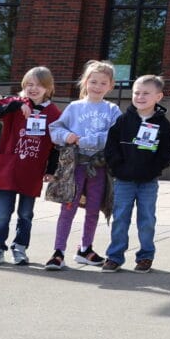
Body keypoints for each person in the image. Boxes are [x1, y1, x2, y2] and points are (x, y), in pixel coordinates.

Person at [44, 60, 120, 270]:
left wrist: (95, 139)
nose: (97, 86)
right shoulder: (75, 107)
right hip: (75, 165)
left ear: (110, 86)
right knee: (68, 207)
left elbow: (117, 135)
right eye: (93, 81)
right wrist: (67, 135)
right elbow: (55, 129)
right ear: (85, 82)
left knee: (94, 208)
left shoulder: (112, 109)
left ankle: (85, 248)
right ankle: (58, 251)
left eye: (103, 83)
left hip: (99, 166)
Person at [0, 66, 61, 267]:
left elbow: (55, 146)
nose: (33, 88)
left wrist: (51, 170)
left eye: (38, 85)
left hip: (32, 171)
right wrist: (16, 105)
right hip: (8, 169)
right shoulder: (15, 104)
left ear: (48, 88)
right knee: (1, 214)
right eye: (29, 84)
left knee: (25, 214)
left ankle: (20, 248)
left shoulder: (53, 113)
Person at [101, 74, 170, 273]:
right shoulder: (122, 121)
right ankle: (115, 256)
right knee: (120, 218)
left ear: (158, 97)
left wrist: (153, 170)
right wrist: (118, 168)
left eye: (146, 93)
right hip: (124, 180)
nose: (140, 97)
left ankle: (145, 256)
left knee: (147, 219)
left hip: (148, 182)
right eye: (136, 93)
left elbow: (165, 153)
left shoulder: (164, 126)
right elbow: (111, 148)